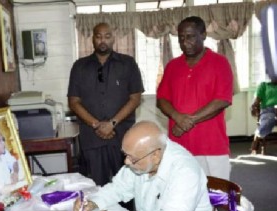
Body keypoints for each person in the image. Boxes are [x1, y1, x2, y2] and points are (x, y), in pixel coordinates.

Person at [73, 121, 215, 211]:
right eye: (125, 155)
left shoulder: (185, 172)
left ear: (156, 156)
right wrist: (93, 201)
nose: (127, 162)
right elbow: (118, 188)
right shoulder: (143, 157)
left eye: (132, 158)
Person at [67, 22, 144, 186]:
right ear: (92, 39)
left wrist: (112, 123)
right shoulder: (79, 67)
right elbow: (74, 102)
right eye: (99, 36)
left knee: (126, 189)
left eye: (107, 36)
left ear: (113, 38)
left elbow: (135, 98)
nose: (103, 40)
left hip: (122, 138)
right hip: (91, 139)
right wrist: (96, 124)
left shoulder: (128, 64)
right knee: (95, 190)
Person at [156, 16, 233, 180]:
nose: (185, 42)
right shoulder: (172, 66)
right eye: (181, 38)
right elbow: (161, 99)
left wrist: (186, 122)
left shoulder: (220, 63)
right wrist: (177, 117)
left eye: (190, 36)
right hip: (179, 146)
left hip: (212, 145)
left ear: (203, 34)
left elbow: (222, 100)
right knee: (184, 194)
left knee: (219, 196)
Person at [250, 79, 277, 154]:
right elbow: (256, 101)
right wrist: (254, 106)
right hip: (268, 110)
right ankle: (258, 135)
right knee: (269, 120)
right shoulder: (263, 85)